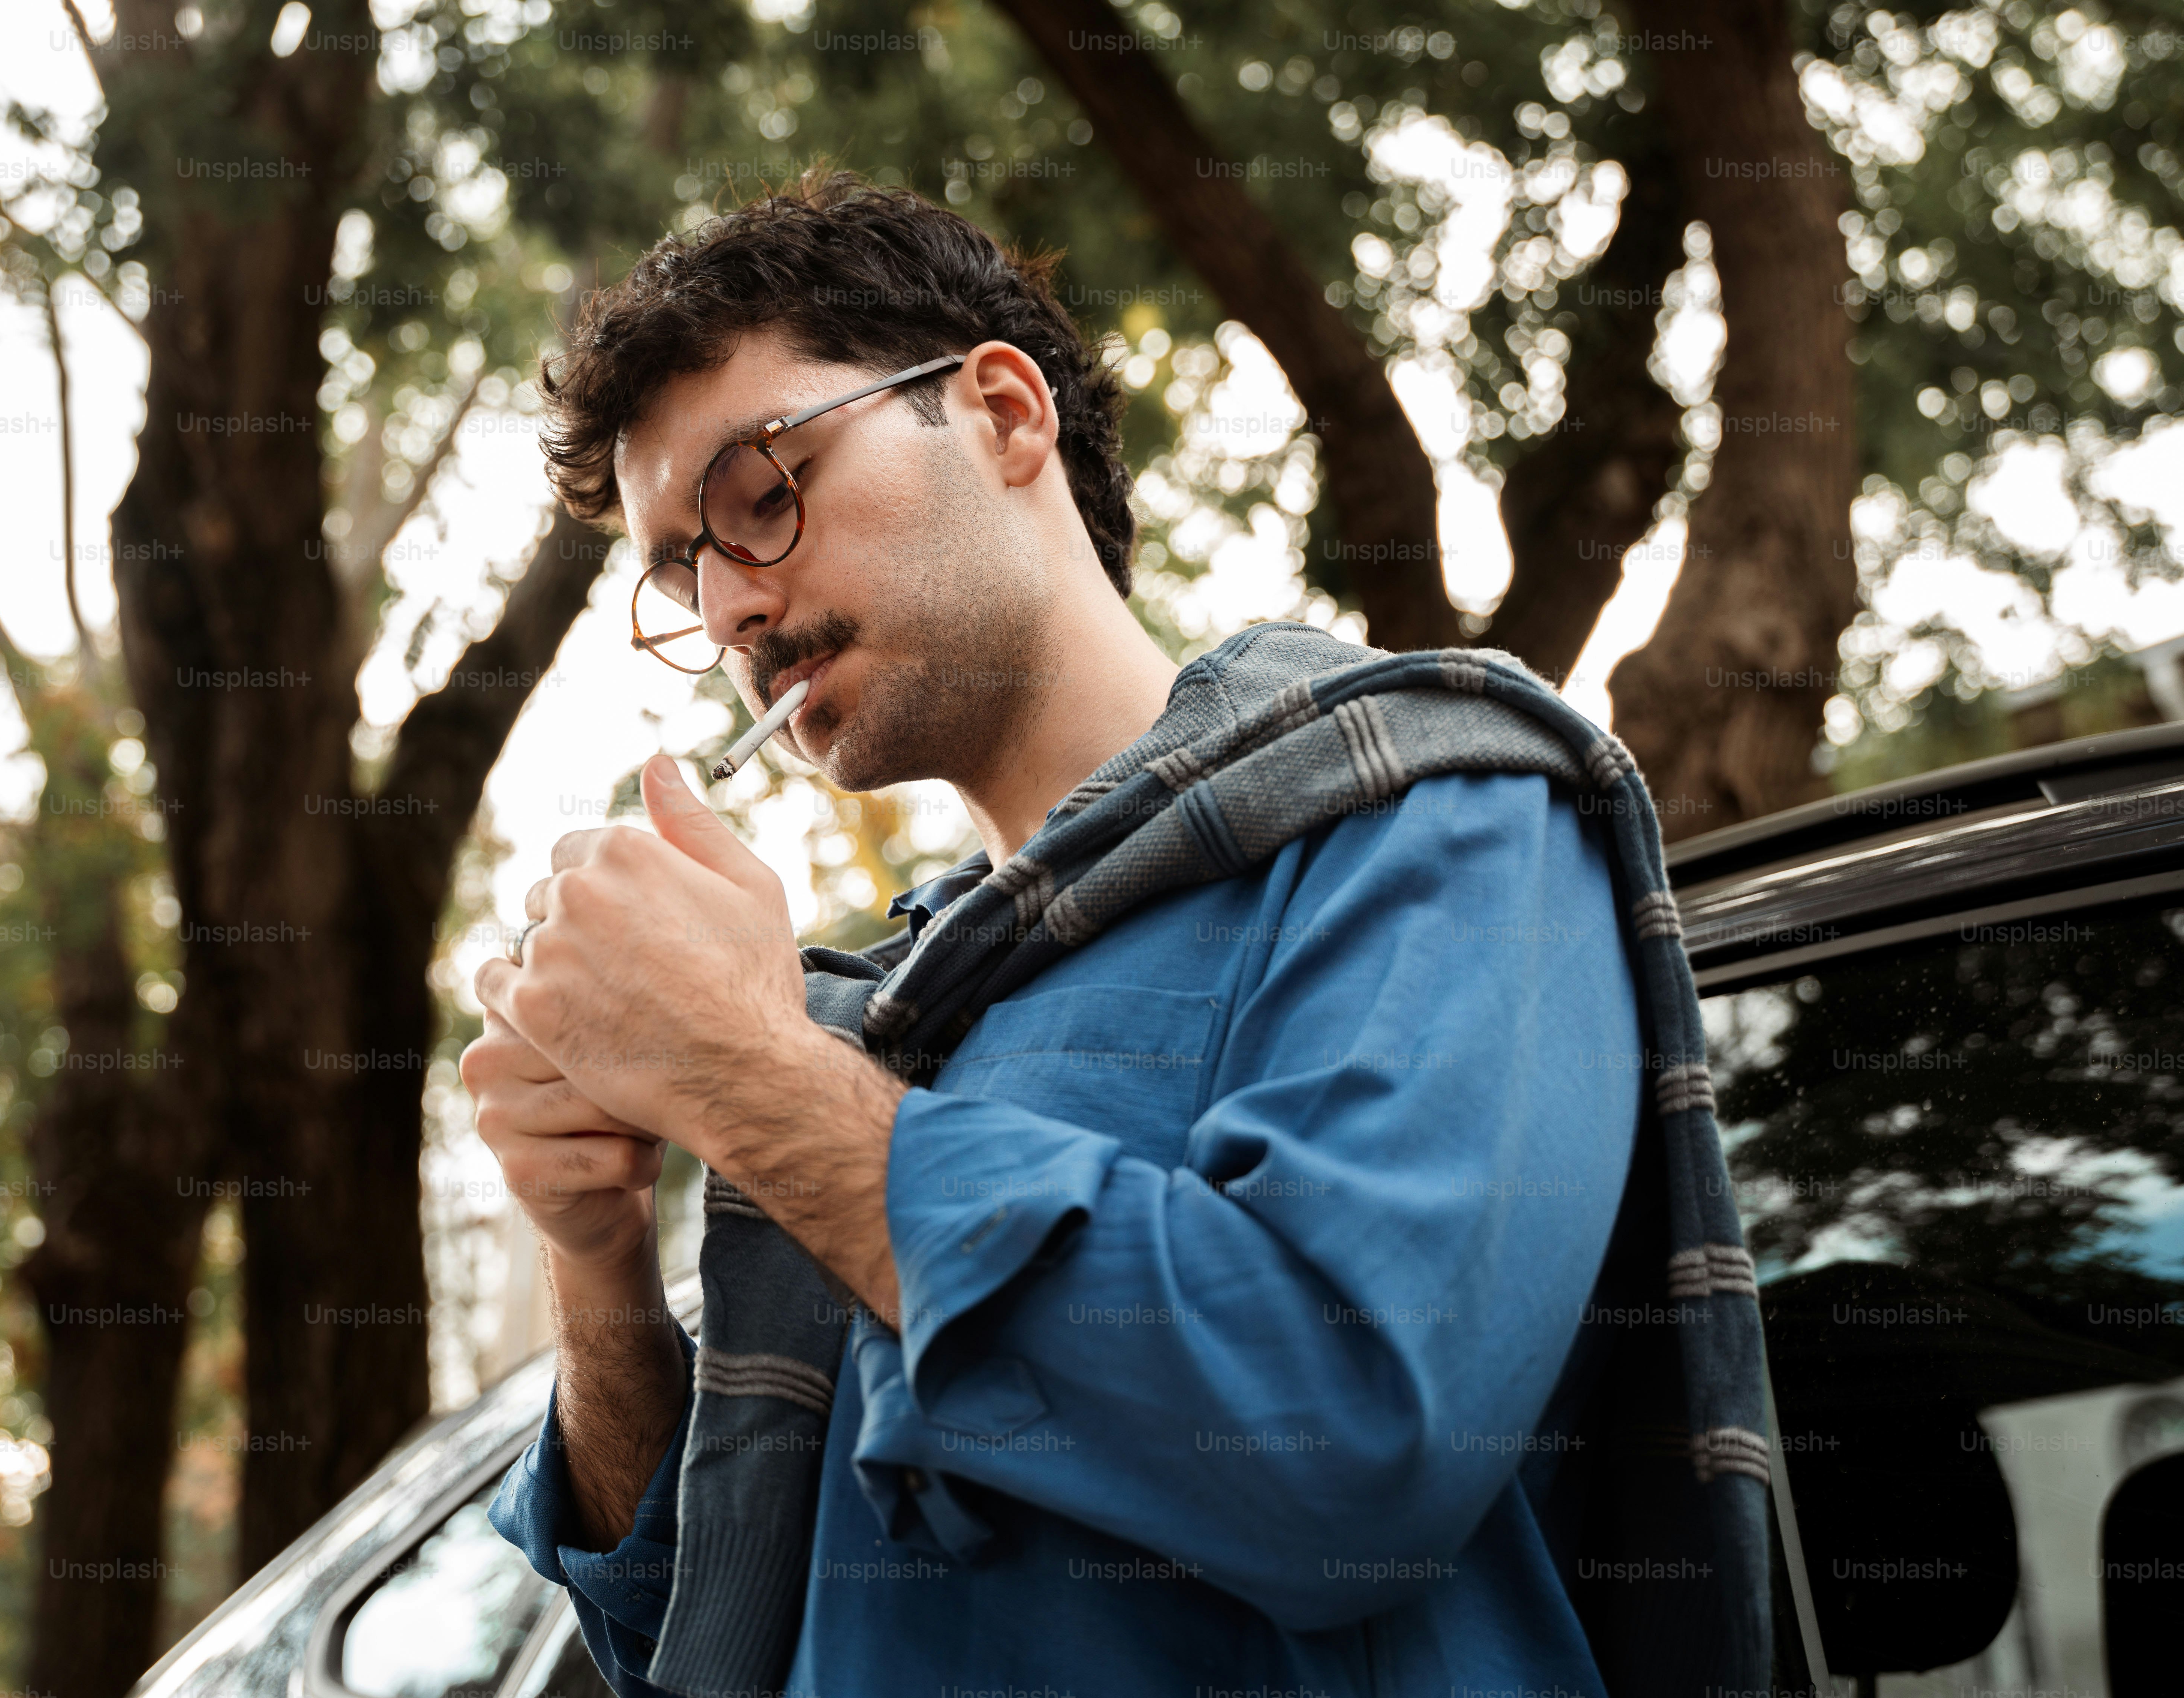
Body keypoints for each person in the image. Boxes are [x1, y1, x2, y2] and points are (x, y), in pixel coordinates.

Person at [465, 169, 1768, 1698]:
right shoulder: (876, 1025)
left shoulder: (1425, 819)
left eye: (762, 497)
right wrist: (593, 1253)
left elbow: (1347, 1449)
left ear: (1006, 415)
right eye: (682, 572)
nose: (734, 608)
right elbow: (696, 1625)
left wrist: (744, 1076)